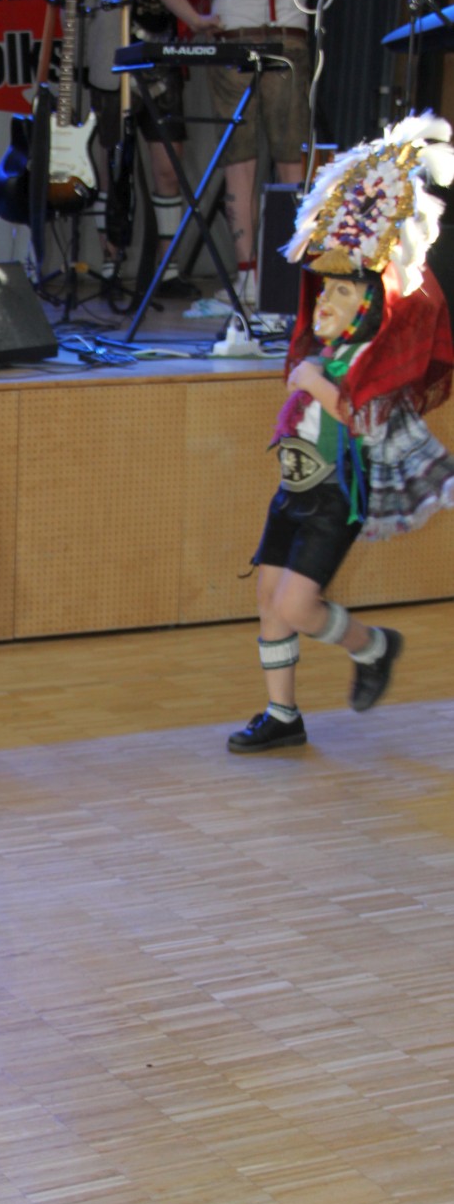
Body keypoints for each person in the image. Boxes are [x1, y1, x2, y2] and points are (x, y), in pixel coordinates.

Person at [228, 114, 454, 753]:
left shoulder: (374, 364)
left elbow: (367, 418)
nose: (324, 300)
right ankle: (282, 715)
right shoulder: (321, 352)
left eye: (342, 291)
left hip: (334, 501)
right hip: (292, 492)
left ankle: (374, 647)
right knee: (270, 599)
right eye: (323, 288)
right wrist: (309, 371)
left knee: (298, 607)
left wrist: (313, 382)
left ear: (371, 303)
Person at [143, 0, 320, 307]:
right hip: (289, 45)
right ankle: (291, 282)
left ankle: (249, 277)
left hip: (233, 46)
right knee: (290, 161)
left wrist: (195, 19)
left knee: (240, 163)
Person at [77, 0, 195, 293]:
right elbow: (78, 20)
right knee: (112, 170)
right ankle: (111, 264)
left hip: (164, 73)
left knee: (168, 170)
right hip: (112, 76)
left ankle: (168, 268)